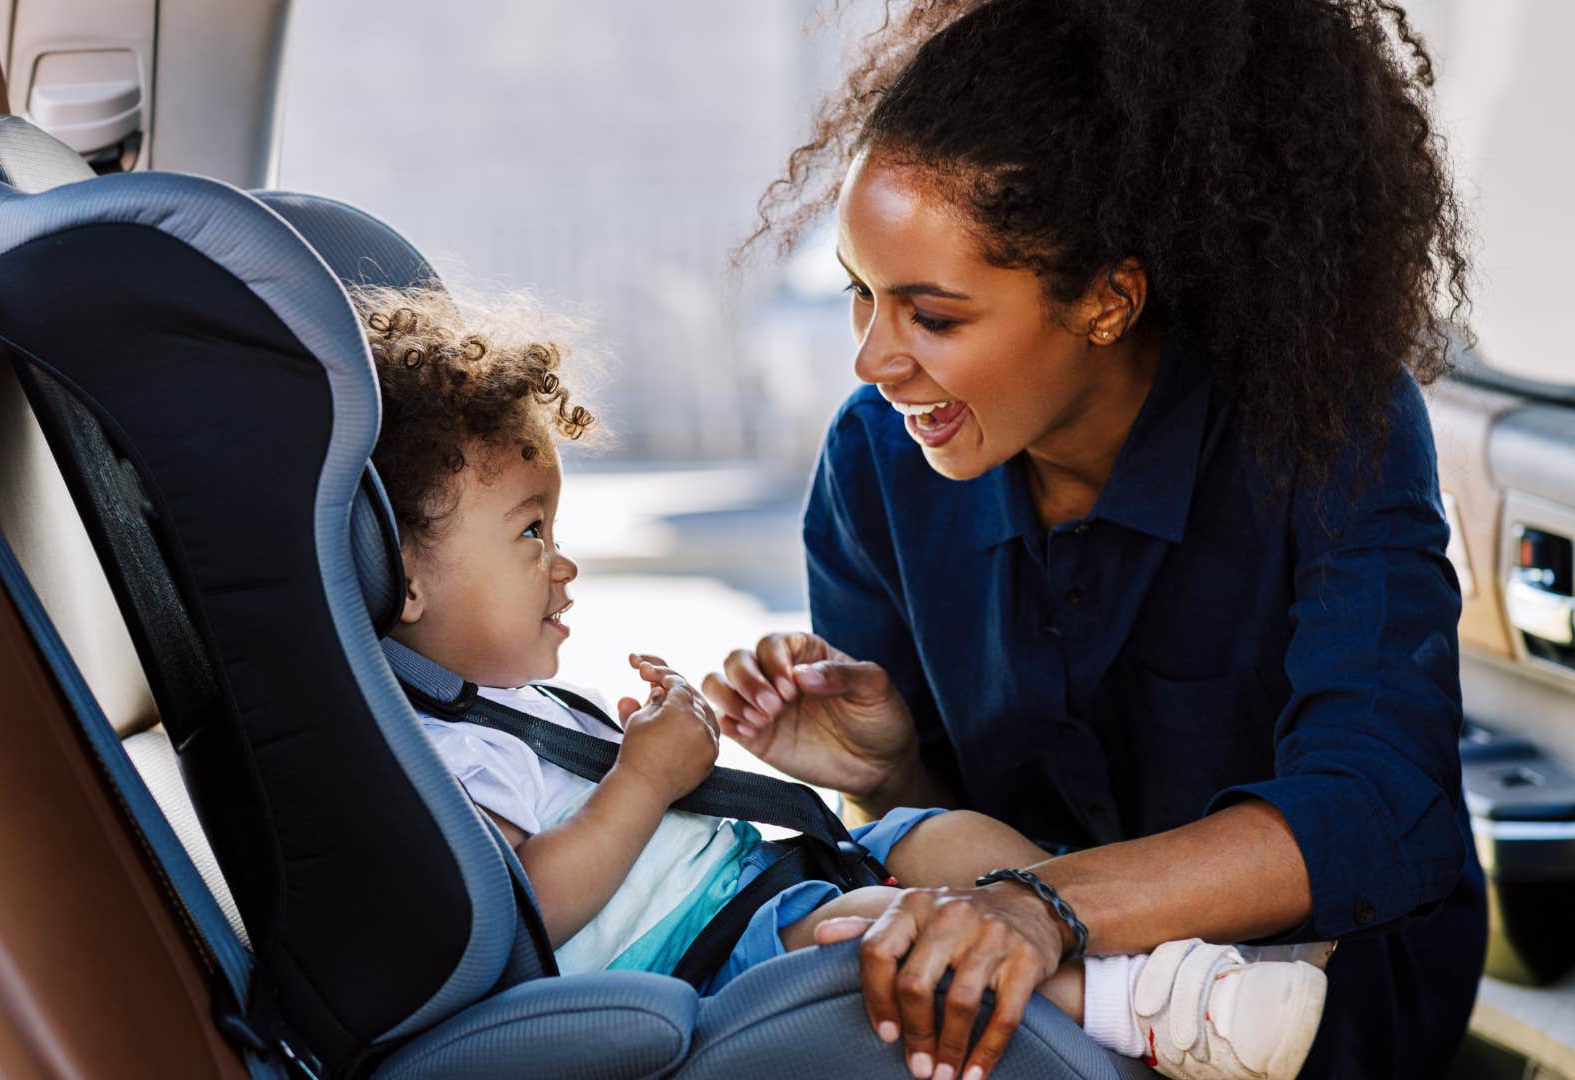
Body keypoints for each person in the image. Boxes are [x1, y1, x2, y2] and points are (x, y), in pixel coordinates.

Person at [707, 1, 1484, 1078]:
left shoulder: (1325, 422)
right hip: (1039, 992)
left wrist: (1045, 907)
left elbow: (1381, 809)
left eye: (932, 316)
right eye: (859, 296)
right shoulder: (874, 464)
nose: (874, 361)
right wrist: (890, 776)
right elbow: (953, 851)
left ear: (1108, 301)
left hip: (1309, 1004)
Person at [357, 284, 1329, 1080]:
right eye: (530, 534)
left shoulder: (509, 710)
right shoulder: (428, 754)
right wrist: (643, 779)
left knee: (949, 841)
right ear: (399, 575)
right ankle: (1155, 1015)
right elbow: (526, 906)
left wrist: (659, 742)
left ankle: (1168, 965)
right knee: (888, 928)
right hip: (704, 948)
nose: (561, 564)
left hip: (762, 882)